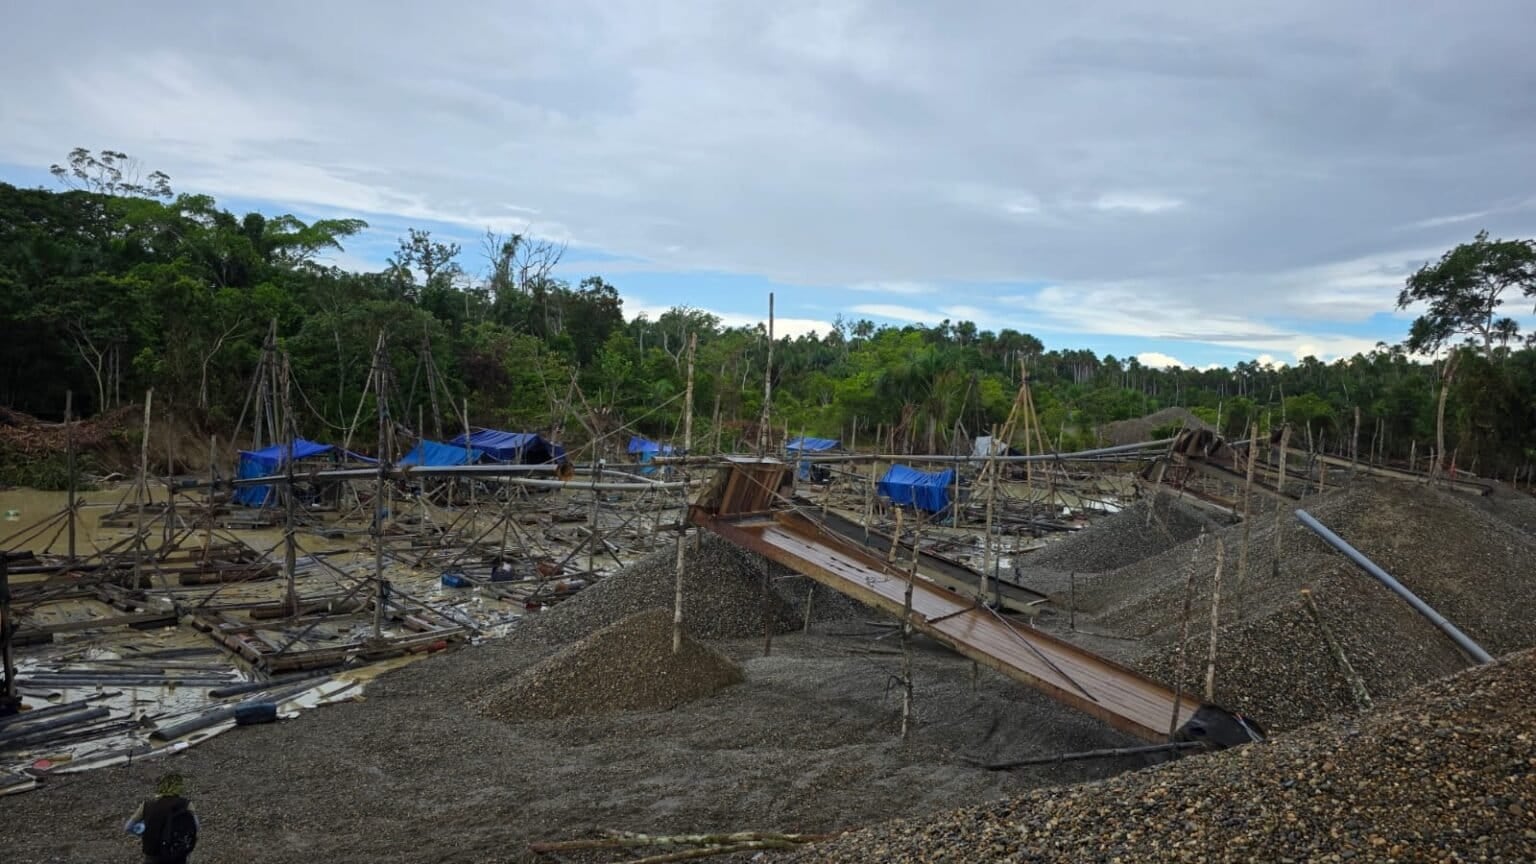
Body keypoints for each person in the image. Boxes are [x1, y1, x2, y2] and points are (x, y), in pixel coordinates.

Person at [124, 772, 199, 864]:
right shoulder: (185, 804)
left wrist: (144, 832)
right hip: (176, 853)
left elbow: (128, 827)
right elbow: (196, 826)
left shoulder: (147, 805)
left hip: (152, 852)